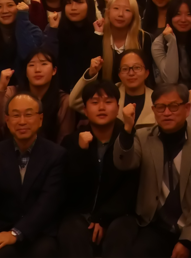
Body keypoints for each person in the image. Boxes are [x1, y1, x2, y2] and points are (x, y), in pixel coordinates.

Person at [104, 83, 191, 258]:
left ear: (187, 109)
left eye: (173, 106)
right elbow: (124, 163)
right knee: (140, 252)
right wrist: (127, 129)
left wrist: (186, 240)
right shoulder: (142, 137)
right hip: (157, 224)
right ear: (153, 110)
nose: (167, 112)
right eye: (160, 107)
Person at [0, 93, 67, 257]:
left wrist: (16, 233)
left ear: (40, 119)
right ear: (7, 120)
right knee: (0, 253)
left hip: (39, 231)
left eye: (29, 114)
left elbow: (47, 203)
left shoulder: (56, 155)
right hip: (0, 228)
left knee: (44, 252)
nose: (22, 121)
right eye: (16, 115)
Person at [58, 80, 140, 258]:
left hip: (119, 214)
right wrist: (80, 152)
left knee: (120, 237)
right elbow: (68, 187)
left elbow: (130, 188)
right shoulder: (72, 141)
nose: (102, 107)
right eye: (94, 102)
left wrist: (103, 217)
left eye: (108, 102)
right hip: (80, 213)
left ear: (118, 108)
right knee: (71, 233)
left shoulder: (130, 140)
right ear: (85, 110)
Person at [0, 0, 57, 99]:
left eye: (10, 5)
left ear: (20, 6)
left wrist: (22, 19)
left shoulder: (33, 31)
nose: (4, 11)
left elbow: (28, 57)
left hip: (28, 94)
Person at [0, 48, 77, 144]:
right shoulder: (12, 92)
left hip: (49, 151)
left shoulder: (63, 100)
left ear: (54, 70)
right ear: (26, 72)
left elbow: (64, 139)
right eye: (31, 65)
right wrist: (1, 89)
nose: (37, 70)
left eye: (44, 64)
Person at [70, 50, 156, 134]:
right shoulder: (108, 92)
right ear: (119, 74)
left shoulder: (157, 98)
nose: (131, 73)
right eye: (125, 69)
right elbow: (75, 101)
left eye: (137, 68)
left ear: (147, 73)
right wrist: (91, 74)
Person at [55, 0, 102, 91]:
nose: (73, 7)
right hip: (61, 92)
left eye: (79, 2)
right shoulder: (58, 31)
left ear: (90, 5)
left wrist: (98, 35)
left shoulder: (97, 32)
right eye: (68, 3)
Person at [97, 0, 149, 84]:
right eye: (116, 8)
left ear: (134, 15)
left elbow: (149, 75)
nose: (121, 14)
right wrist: (97, 35)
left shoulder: (144, 38)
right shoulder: (99, 36)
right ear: (107, 12)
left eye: (127, 10)